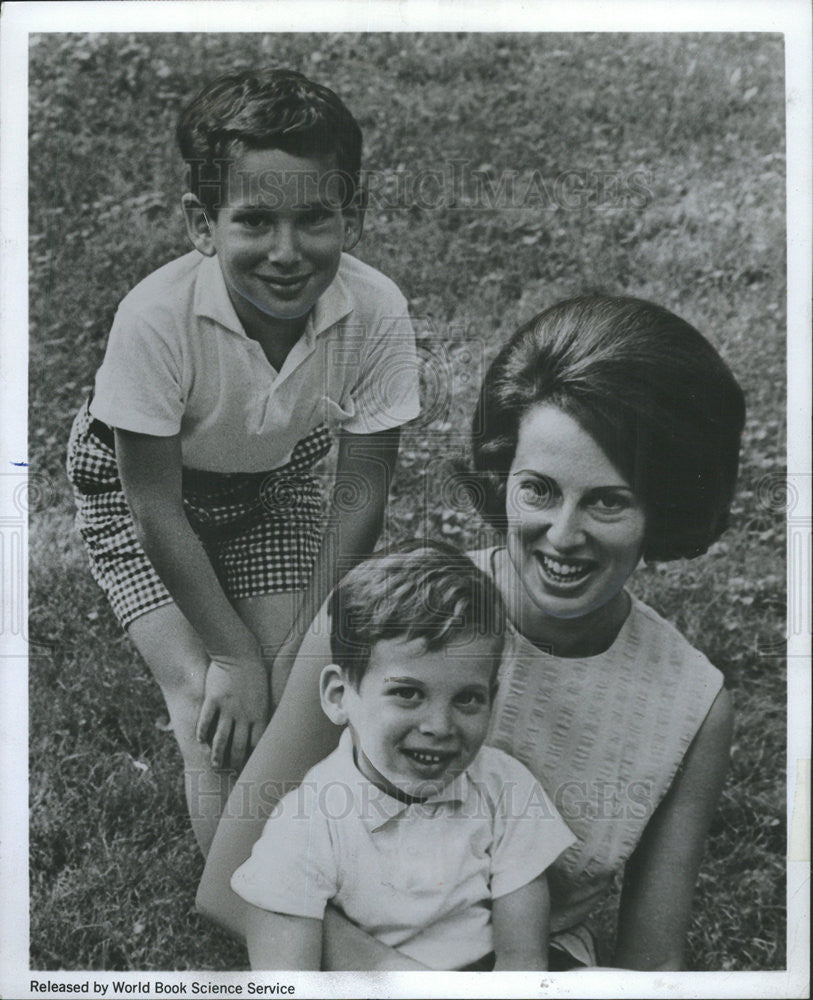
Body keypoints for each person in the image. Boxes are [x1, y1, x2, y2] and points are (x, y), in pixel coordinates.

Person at [197, 294, 745, 971]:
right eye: (538, 490)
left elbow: (649, 965)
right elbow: (231, 883)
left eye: (607, 500)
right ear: (502, 477)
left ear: (661, 508)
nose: (563, 536)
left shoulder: (689, 703)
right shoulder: (385, 619)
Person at [65, 69, 420, 854]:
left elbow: (361, 490)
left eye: (315, 219)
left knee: (300, 689)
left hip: (272, 487)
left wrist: (299, 648)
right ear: (202, 222)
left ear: (351, 214)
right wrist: (230, 653)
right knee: (210, 699)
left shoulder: (376, 310)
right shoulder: (155, 320)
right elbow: (152, 505)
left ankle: (316, 866)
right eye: (254, 221)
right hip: (140, 502)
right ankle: (245, 911)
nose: (286, 253)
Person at [230, 544, 576, 970]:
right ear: (339, 696)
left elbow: (523, 962)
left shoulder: (505, 789)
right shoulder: (308, 823)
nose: (439, 726)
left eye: (468, 699)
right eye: (408, 693)